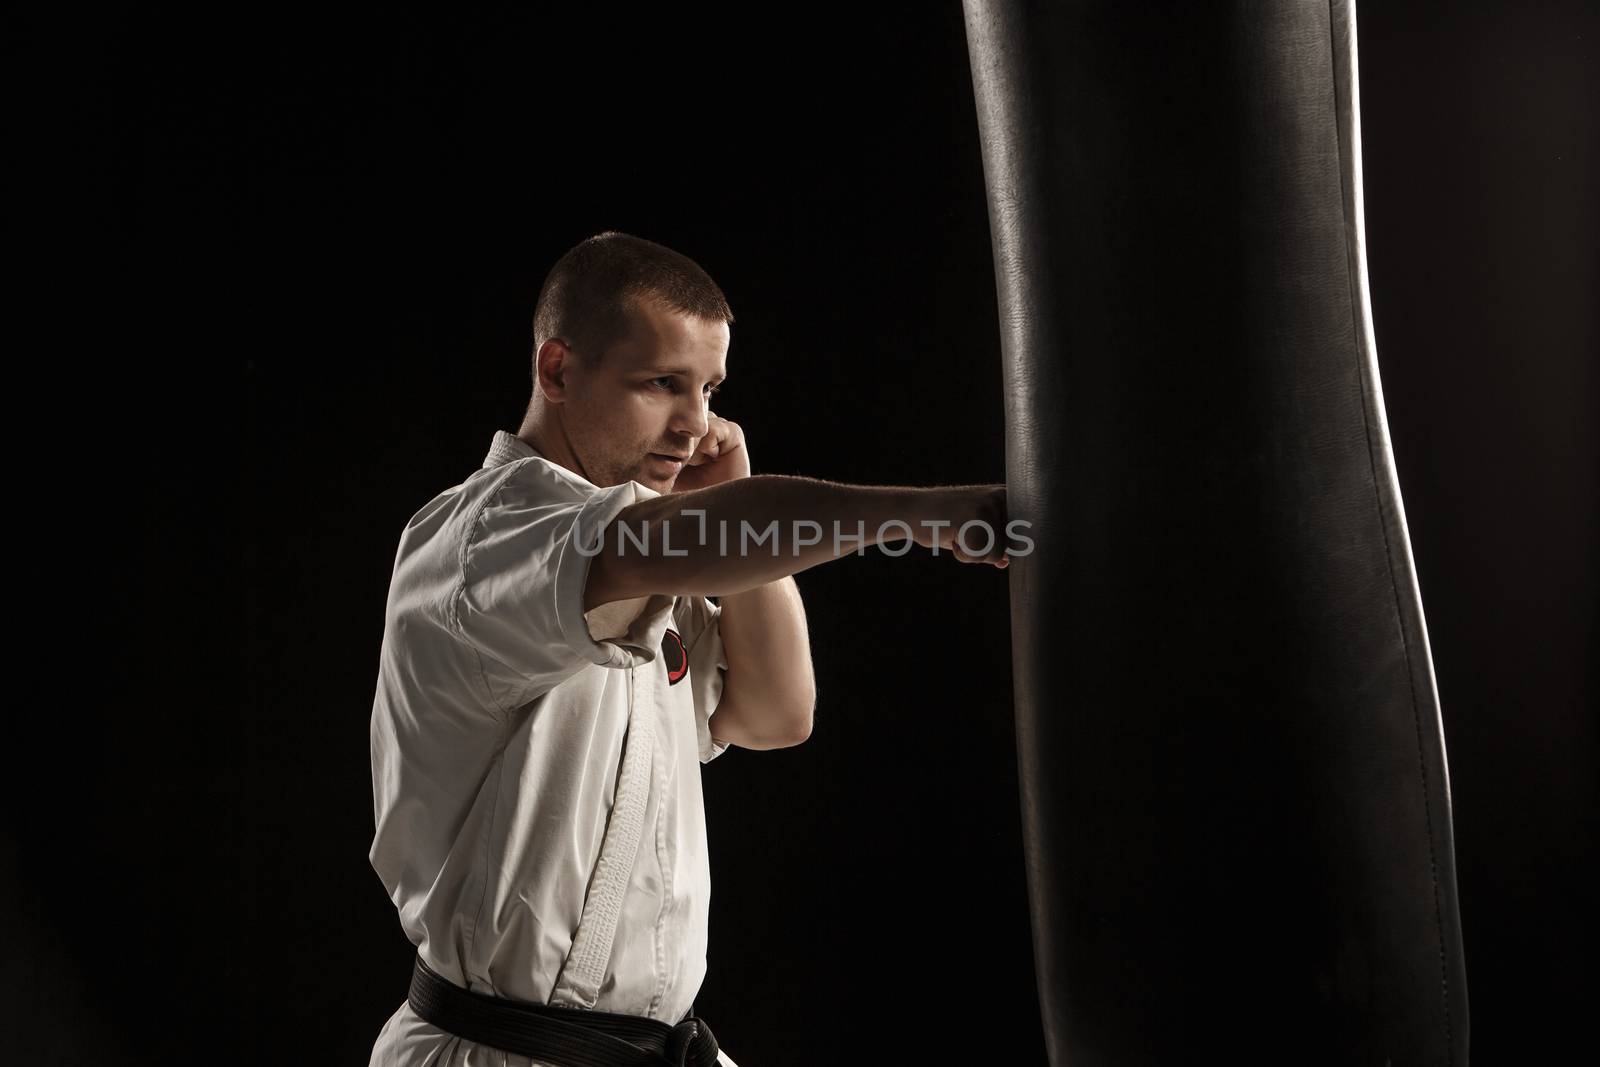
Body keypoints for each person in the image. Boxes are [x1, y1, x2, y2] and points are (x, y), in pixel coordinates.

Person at [367, 232, 1012, 1067]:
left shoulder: (642, 565)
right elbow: (662, 544)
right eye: (662, 383)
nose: (695, 423)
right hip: (497, 1049)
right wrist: (920, 514)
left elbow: (778, 713)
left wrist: (734, 494)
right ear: (558, 370)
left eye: (708, 388)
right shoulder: (487, 537)